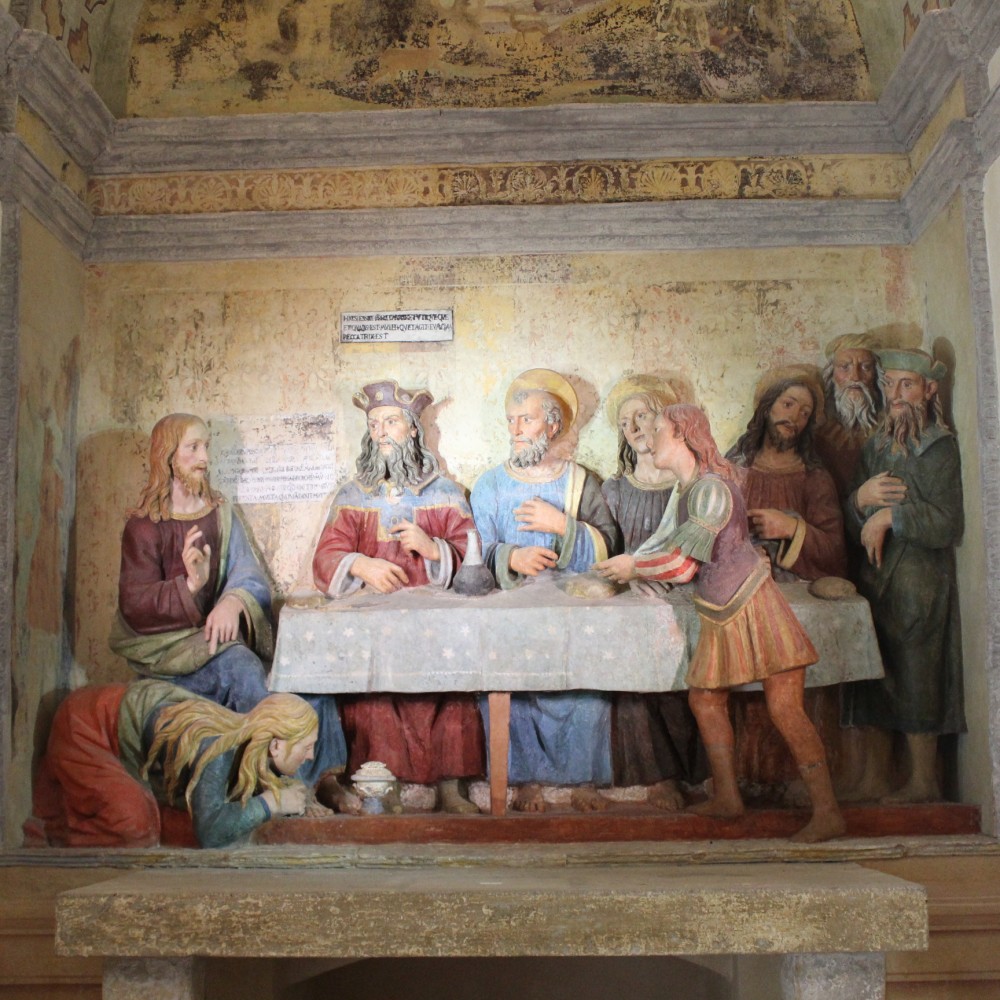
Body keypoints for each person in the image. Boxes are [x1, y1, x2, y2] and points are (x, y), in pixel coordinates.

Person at [595, 404, 845, 843]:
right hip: (720, 608)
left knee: (785, 708)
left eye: (658, 429)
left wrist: (634, 566)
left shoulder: (711, 490)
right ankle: (728, 797)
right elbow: (673, 548)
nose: (650, 437)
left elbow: (682, 564)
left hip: (753, 605)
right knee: (706, 699)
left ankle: (828, 813)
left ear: (684, 435)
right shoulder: (688, 488)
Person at [109, 412, 348, 798]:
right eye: (193, 448)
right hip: (166, 659)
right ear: (168, 455)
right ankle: (282, 784)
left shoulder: (219, 513)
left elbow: (247, 572)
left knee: (309, 682)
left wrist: (232, 603)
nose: (204, 457)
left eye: (206, 447)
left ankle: (321, 780)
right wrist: (190, 586)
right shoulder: (143, 527)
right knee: (240, 669)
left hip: (215, 645)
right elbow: (135, 603)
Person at [312, 380, 485, 813]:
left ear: (412, 429)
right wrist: (359, 564)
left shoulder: (444, 492)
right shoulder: (354, 495)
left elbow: (474, 556)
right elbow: (326, 556)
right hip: (376, 624)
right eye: (374, 424)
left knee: (451, 686)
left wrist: (434, 549)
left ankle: (450, 784)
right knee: (372, 692)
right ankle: (382, 784)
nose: (381, 432)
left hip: (435, 624)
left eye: (391, 422)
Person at [470, 368, 619, 812]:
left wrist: (563, 527)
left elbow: (610, 547)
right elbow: (474, 551)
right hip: (512, 607)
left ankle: (584, 778)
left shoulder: (580, 482)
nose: (516, 429)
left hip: (570, 606)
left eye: (527, 419)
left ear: (552, 426)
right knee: (510, 685)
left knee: (588, 685)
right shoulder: (490, 485)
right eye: (512, 420)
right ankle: (526, 779)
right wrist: (510, 558)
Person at [841, 348, 965, 803]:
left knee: (917, 676)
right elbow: (848, 517)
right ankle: (874, 777)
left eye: (906, 384)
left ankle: (923, 780)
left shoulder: (938, 448)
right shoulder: (876, 446)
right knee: (875, 675)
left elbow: (947, 521)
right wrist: (860, 501)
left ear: (929, 390)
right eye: (889, 383)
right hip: (877, 579)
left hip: (919, 581)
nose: (895, 394)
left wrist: (891, 517)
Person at [26, 680, 318, 848]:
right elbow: (211, 833)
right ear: (275, 745)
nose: (311, 756)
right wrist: (271, 803)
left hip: (115, 728)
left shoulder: (250, 746)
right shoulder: (218, 749)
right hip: (88, 726)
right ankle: (55, 836)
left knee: (179, 831)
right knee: (135, 827)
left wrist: (292, 792)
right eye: (307, 747)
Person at [600, 375, 705, 810]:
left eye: (642, 415)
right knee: (632, 681)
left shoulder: (690, 486)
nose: (634, 427)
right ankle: (657, 777)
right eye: (624, 422)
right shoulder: (614, 490)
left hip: (686, 598)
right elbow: (607, 550)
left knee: (686, 684)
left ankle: (698, 773)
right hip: (634, 605)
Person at [727, 365, 847, 582]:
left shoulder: (815, 478)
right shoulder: (734, 468)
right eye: (788, 404)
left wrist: (792, 528)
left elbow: (835, 552)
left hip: (795, 589)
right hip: (739, 583)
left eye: (804, 413)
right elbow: (708, 532)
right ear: (767, 407)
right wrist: (742, 557)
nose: (794, 417)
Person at [815, 333, 884, 502]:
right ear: (831, 374)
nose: (855, 377)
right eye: (844, 367)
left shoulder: (888, 426)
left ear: (876, 374)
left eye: (866, 367)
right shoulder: (818, 429)